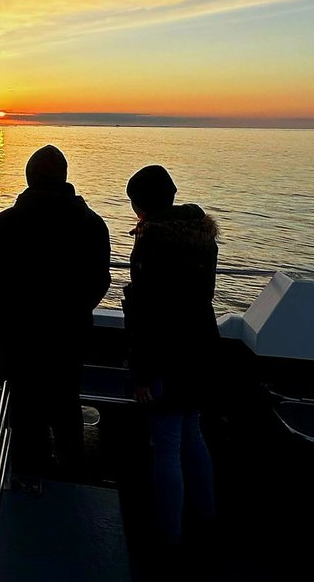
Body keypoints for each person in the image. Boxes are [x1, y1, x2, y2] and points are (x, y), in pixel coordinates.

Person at [0, 144, 111, 482]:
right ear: (64, 178)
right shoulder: (93, 225)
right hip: (69, 342)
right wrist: (73, 314)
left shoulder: (5, 223)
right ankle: (73, 490)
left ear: (29, 178)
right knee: (67, 416)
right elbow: (100, 282)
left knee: (24, 424)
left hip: (18, 345)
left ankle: (26, 486)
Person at [122, 164, 219, 551]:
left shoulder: (152, 243)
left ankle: (168, 537)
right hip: (200, 348)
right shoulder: (202, 239)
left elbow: (148, 315)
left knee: (165, 447)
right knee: (193, 434)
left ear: (143, 205)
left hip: (166, 357)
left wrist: (142, 374)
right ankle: (207, 515)